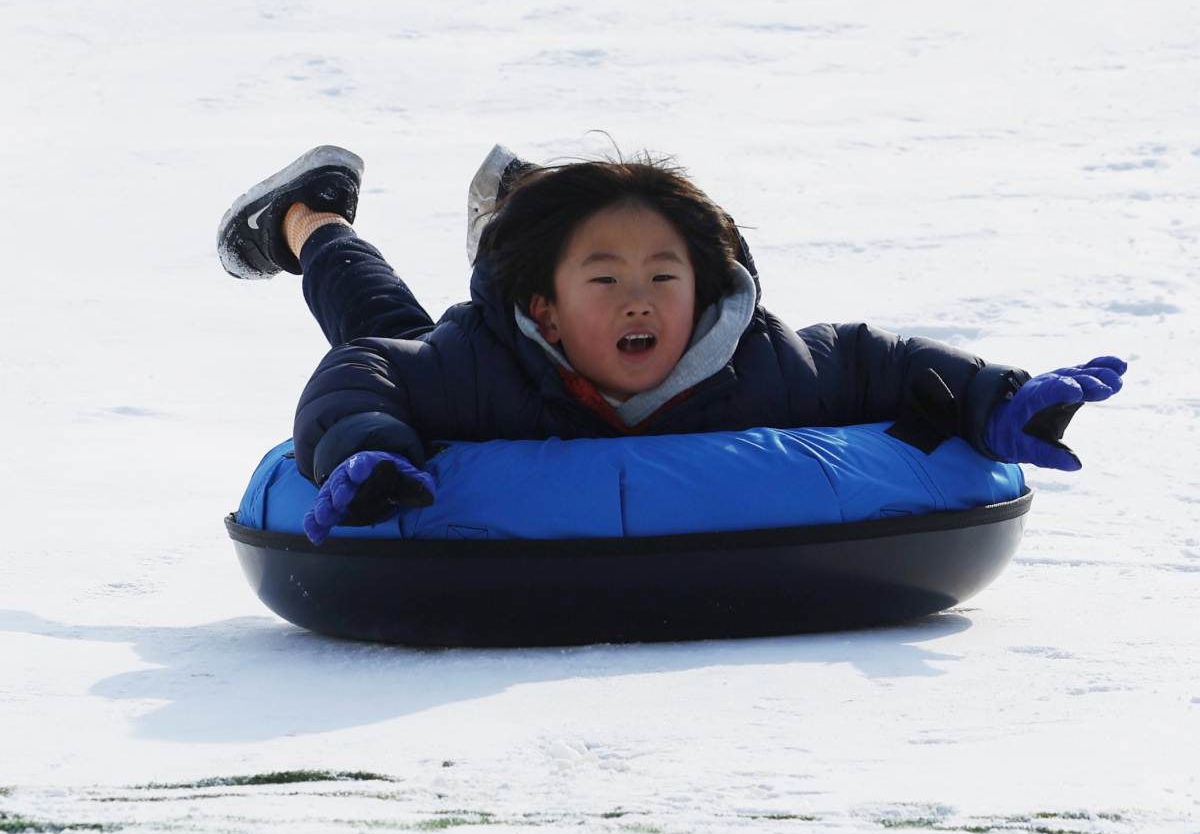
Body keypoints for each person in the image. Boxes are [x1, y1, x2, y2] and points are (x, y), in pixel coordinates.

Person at [217, 144, 1126, 544]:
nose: (639, 304)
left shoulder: (761, 363)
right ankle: (307, 216)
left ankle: (534, 201)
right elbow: (361, 374)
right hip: (494, 345)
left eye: (664, 279)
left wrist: (996, 401)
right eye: (607, 284)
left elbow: (882, 365)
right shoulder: (478, 367)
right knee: (388, 329)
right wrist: (368, 451)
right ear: (547, 311)